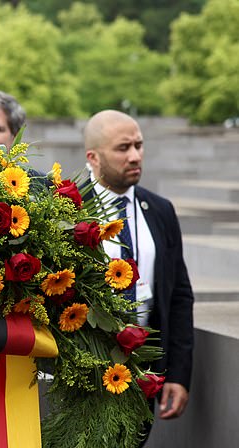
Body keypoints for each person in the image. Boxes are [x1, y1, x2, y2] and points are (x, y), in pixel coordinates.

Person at [83, 110, 194, 439]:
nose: (135, 156)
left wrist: (178, 373)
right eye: (122, 148)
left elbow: (178, 296)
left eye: (139, 145)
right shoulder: (68, 208)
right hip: (83, 378)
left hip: (143, 375)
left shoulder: (160, 210)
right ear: (93, 157)